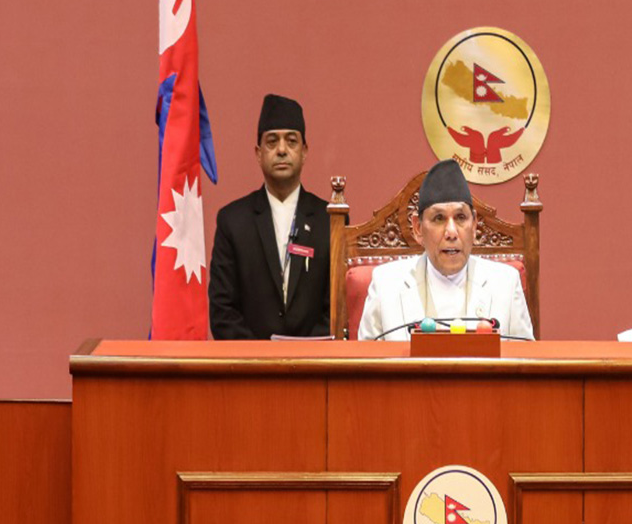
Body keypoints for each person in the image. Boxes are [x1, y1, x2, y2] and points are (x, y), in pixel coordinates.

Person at [357, 159, 535, 341]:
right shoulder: (386, 284)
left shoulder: (505, 283)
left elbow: (526, 363)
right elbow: (364, 365)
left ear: (474, 226)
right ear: (417, 228)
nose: (451, 232)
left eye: (460, 217)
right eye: (439, 218)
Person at [209, 94, 332, 339]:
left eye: (292, 141)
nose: (282, 150)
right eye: (272, 141)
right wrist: (264, 359)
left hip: (314, 367)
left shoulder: (329, 220)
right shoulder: (232, 221)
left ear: (305, 151)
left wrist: (303, 355)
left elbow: (338, 309)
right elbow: (223, 312)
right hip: (251, 370)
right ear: (258, 153)